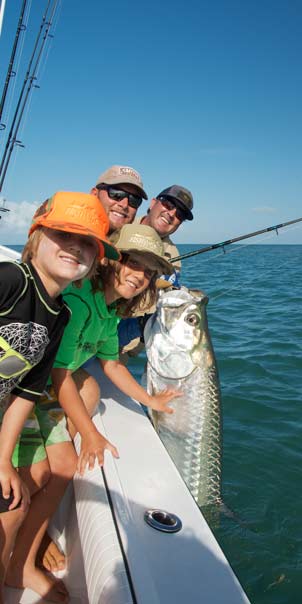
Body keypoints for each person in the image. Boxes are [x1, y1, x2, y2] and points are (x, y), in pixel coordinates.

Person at [7, 223, 181, 601]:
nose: (139, 275)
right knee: (32, 479)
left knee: (64, 467)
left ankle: (21, 561)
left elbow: (112, 363)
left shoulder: (109, 311)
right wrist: (89, 432)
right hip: (31, 392)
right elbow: (60, 373)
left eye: (149, 271)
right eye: (133, 263)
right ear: (111, 261)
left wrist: (152, 402)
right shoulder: (81, 300)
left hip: (46, 395)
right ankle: (21, 551)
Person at [0, 191, 118, 602]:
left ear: (97, 259)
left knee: (12, 504)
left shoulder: (61, 314)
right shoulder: (11, 280)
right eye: (63, 233)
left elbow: (26, 394)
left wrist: (2, 462)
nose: (75, 245)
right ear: (36, 235)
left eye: (88, 242)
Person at [118, 185, 194, 354]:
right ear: (153, 203)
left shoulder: (173, 255)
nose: (172, 213)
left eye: (180, 214)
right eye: (168, 204)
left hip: (121, 346)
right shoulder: (121, 223)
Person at [91, 165, 148, 234]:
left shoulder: (133, 243)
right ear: (95, 194)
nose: (124, 205)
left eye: (134, 199)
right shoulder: (75, 235)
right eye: (116, 193)